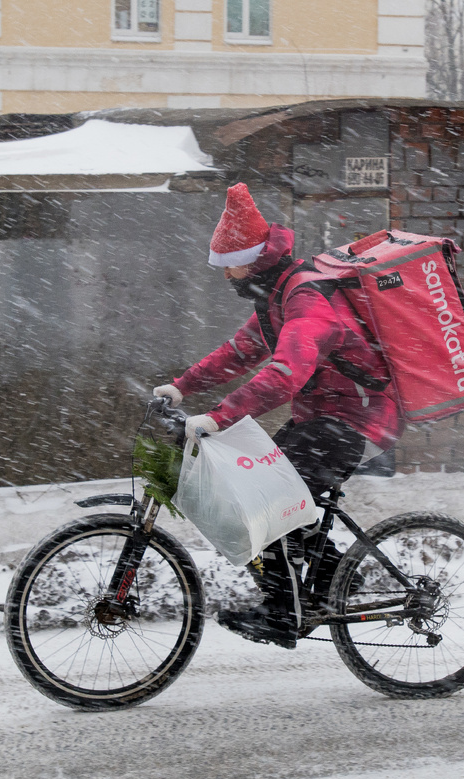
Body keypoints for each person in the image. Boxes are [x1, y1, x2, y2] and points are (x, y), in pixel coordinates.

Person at [153, 183, 403, 648]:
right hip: (324, 418)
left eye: (231, 266)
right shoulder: (276, 297)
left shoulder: (306, 298)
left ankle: (283, 614)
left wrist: (219, 417)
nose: (227, 277)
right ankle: (334, 579)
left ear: (254, 260)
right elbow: (239, 351)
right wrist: (181, 387)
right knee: (263, 487)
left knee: (270, 498)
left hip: (357, 420)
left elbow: (285, 373)